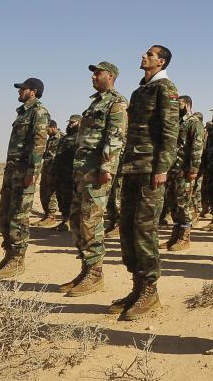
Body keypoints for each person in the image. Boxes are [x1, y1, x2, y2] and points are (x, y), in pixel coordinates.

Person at [108, 46, 180, 320]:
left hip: (151, 170)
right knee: (127, 228)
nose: (143, 57)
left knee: (145, 229)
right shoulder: (140, 91)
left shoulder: (165, 88)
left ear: (160, 61)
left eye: (149, 55)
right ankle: (137, 288)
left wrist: (162, 167)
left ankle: (150, 290)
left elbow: (170, 131)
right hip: (132, 168)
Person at [59, 62, 128, 297]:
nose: (93, 76)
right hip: (82, 170)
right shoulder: (95, 103)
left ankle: (95, 274)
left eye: (97, 73)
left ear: (110, 76)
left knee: (91, 221)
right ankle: (86, 268)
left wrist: (107, 167)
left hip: (97, 172)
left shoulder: (116, 103)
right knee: (76, 219)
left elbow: (115, 136)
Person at [0, 78, 50, 279]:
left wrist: (33, 172)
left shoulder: (39, 112)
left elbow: (39, 144)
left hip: (24, 173)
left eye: (23, 89)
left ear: (34, 91)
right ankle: (9, 255)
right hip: (12, 172)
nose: (19, 92)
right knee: (5, 214)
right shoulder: (23, 113)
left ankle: (17, 260)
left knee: (19, 216)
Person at [162, 95, 204, 251]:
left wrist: (194, 168)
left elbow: (197, 147)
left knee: (183, 203)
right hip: (172, 169)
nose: (175, 106)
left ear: (187, 105)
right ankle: (175, 235)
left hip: (185, 170)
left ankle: (184, 237)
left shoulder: (194, 123)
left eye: (178, 104)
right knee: (172, 202)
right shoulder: (176, 123)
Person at [50, 115, 82, 232]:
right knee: (61, 196)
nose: (70, 125)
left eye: (73, 123)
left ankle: (72, 222)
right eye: (69, 122)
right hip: (61, 172)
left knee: (71, 197)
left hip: (71, 173)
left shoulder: (81, 137)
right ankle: (65, 220)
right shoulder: (64, 138)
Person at [31, 120, 64, 226]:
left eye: (47, 129)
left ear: (53, 127)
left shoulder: (62, 138)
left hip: (54, 170)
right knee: (43, 191)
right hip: (46, 168)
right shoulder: (49, 139)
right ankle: (47, 215)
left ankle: (51, 216)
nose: (46, 131)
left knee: (51, 193)